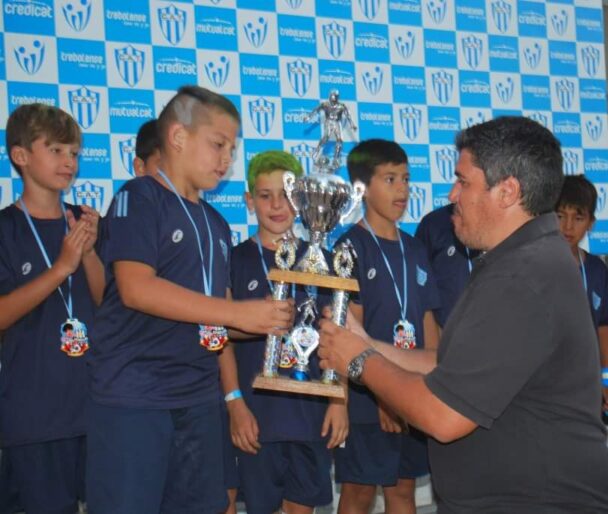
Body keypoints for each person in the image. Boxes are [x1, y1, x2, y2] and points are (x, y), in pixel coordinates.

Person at [318, 116, 608, 513]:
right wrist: (368, 344)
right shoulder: (519, 262)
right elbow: (448, 365)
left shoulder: (523, 275)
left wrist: (358, 360)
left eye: (463, 181)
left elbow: (443, 414)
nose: (450, 194)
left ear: (507, 191)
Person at [86, 85, 295, 514]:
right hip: (136, 397)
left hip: (198, 398)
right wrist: (237, 312)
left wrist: (268, 320)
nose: (226, 159)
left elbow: (211, 314)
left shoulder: (216, 223)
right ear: (178, 138)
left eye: (232, 149)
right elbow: (136, 287)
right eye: (218, 144)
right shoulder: (139, 196)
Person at [220, 150, 348, 514]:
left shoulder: (322, 262)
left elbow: (337, 334)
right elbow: (220, 340)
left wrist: (339, 399)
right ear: (249, 201)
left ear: (302, 200)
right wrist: (235, 403)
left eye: (286, 194)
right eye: (264, 195)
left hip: (309, 415)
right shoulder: (233, 260)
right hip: (256, 415)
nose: (276, 205)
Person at [0, 103, 103, 514]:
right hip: (35, 416)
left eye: (74, 153)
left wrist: (90, 254)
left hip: (97, 409)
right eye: (57, 150)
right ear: (21, 156)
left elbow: (107, 302)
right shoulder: (6, 229)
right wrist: (62, 268)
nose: (69, 162)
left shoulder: (84, 221)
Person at [332, 139, 441, 514]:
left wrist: (435, 386)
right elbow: (348, 334)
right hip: (368, 395)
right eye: (390, 179)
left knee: (402, 489)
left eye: (407, 179)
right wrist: (384, 395)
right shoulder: (349, 248)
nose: (402, 189)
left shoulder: (416, 248)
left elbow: (428, 324)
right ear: (362, 188)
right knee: (359, 492)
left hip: (414, 390)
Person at [555, 175, 608, 420]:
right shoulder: (533, 265)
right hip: (545, 388)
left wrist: (607, 379)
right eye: (560, 216)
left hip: (587, 386)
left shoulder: (596, 270)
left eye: (578, 217)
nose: (568, 226)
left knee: (587, 454)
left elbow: (604, 325)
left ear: (591, 223)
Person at [414, 203, 479, 327]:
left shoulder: (503, 221)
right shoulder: (434, 223)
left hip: (496, 331)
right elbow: (420, 290)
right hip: (447, 336)